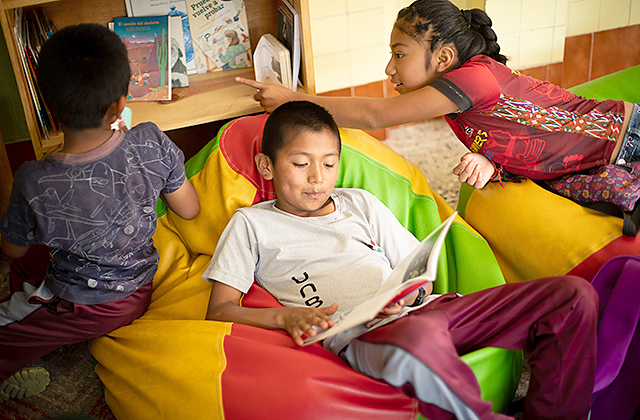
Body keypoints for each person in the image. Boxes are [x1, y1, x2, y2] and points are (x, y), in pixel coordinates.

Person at [203, 100, 598, 419]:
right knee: (419, 339)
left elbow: (416, 264)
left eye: (328, 164)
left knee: (573, 296)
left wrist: (415, 288)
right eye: (301, 164)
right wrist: (283, 318)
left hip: (428, 310)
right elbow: (219, 309)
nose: (317, 178)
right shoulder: (252, 223)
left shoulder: (359, 202)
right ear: (267, 166)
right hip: (360, 333)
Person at [236, 0, 638, 190]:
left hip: (626, 138)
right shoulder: (465, 89)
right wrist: (489, 158)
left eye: (399, 54)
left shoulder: (471, 80)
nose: (389, 68)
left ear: (444, 57)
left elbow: (375, 115)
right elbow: (513, 125)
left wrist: (292, 101)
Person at [0, 23, 200, 401]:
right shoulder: (151, 142)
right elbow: (189, 210)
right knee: (30, 270)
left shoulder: (34, 181)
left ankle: (32, 336)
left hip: (86, 304)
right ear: (122, 100)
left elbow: (11, 249)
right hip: (140, 283)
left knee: (12, 311)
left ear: (45, 104)